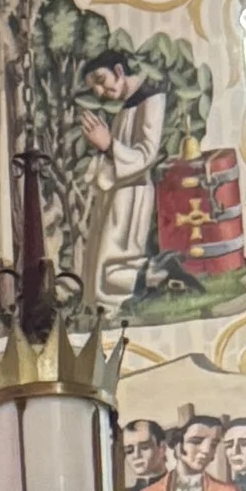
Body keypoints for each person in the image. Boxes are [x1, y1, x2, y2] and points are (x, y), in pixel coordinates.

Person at [78, 53, 166, 305]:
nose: (98, 91)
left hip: (133, 194)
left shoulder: (151, 99)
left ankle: (160, 281)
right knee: (102, 263)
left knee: (116, 264)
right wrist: (103, 150)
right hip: (117, 193)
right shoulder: (127, 105)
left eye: (99, 79)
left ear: (118, 70)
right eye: (93, 87)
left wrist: (107, 145)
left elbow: (146, 155)